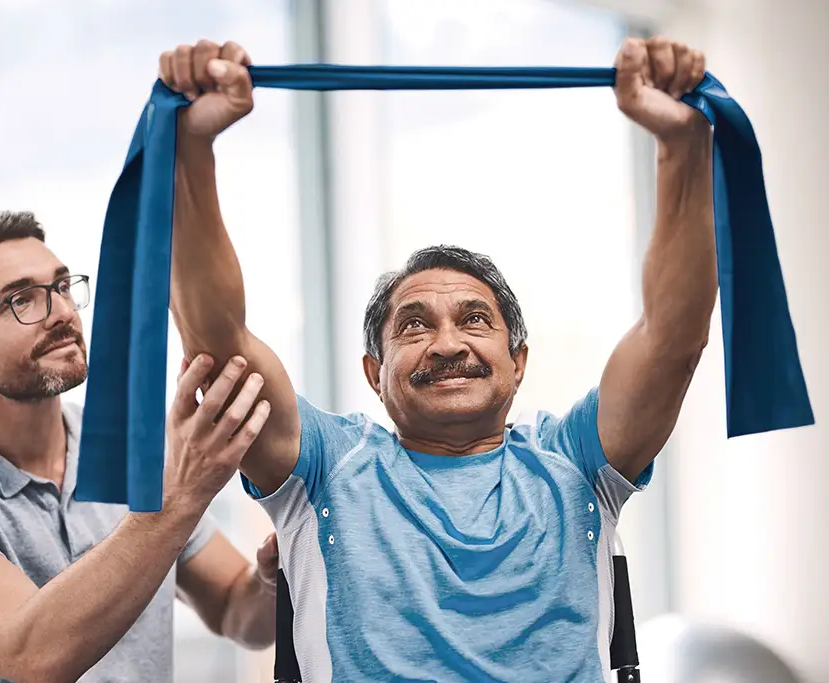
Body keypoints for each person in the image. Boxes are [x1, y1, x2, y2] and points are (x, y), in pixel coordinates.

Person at [161, 35, 716, 682]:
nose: (447, 344)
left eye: (475, 320)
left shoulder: (576, 462)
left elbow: (674, 337)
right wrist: (191, 150)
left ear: (519, 361)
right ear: (375, 372)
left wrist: (682, 151)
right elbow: (217, 337)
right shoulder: (326, 468)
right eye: (415, 326)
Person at [0, 212, 279, 683]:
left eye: (61, 287)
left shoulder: (129, 452)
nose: (62, 312)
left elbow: (235, 611)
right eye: (21, 300)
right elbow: (33, 655)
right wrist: (182, 495)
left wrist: (273, 581)